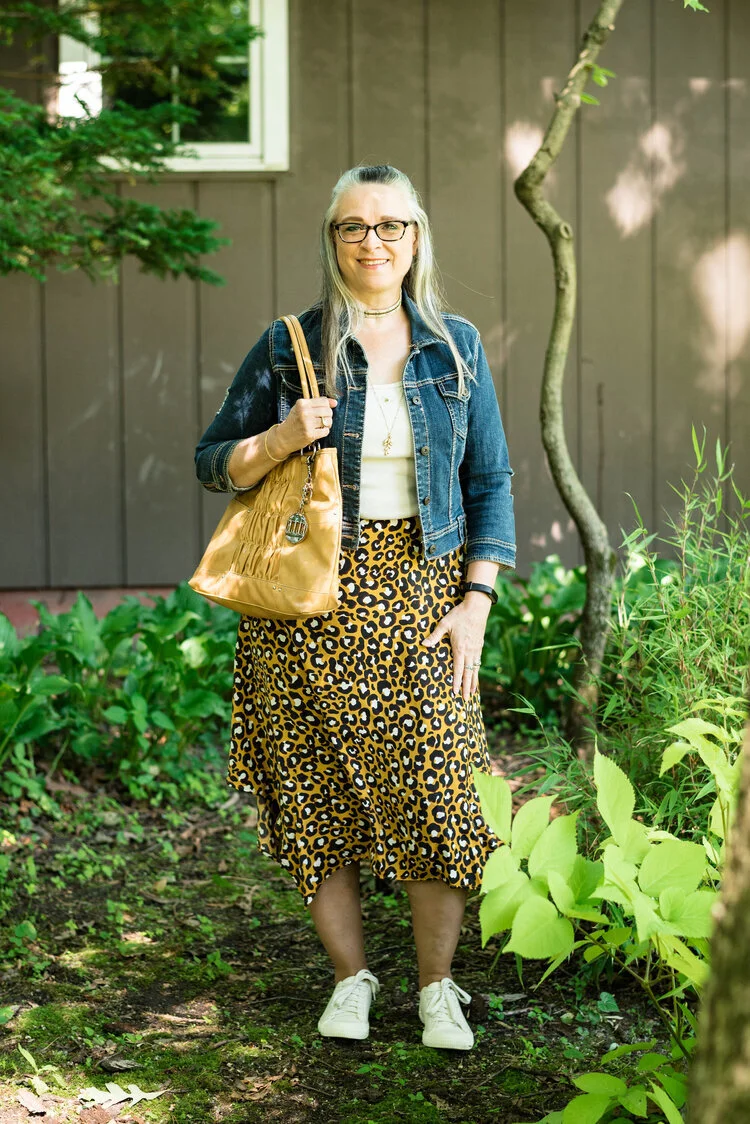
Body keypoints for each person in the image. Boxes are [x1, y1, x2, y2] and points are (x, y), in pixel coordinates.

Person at [194, 164, 515, 1052]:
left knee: (438, 789)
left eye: (390, 225)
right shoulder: (289, 344)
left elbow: (490, 479)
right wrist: (281, 435)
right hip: (306, 595)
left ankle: (437, 988)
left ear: (416, 236)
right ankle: (350, 980)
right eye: (353, 226)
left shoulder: (456, 346)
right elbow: (213, 460)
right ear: (332, 239)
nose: (373, 241)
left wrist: (477, 600)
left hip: (422, 591)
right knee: (314, 789)